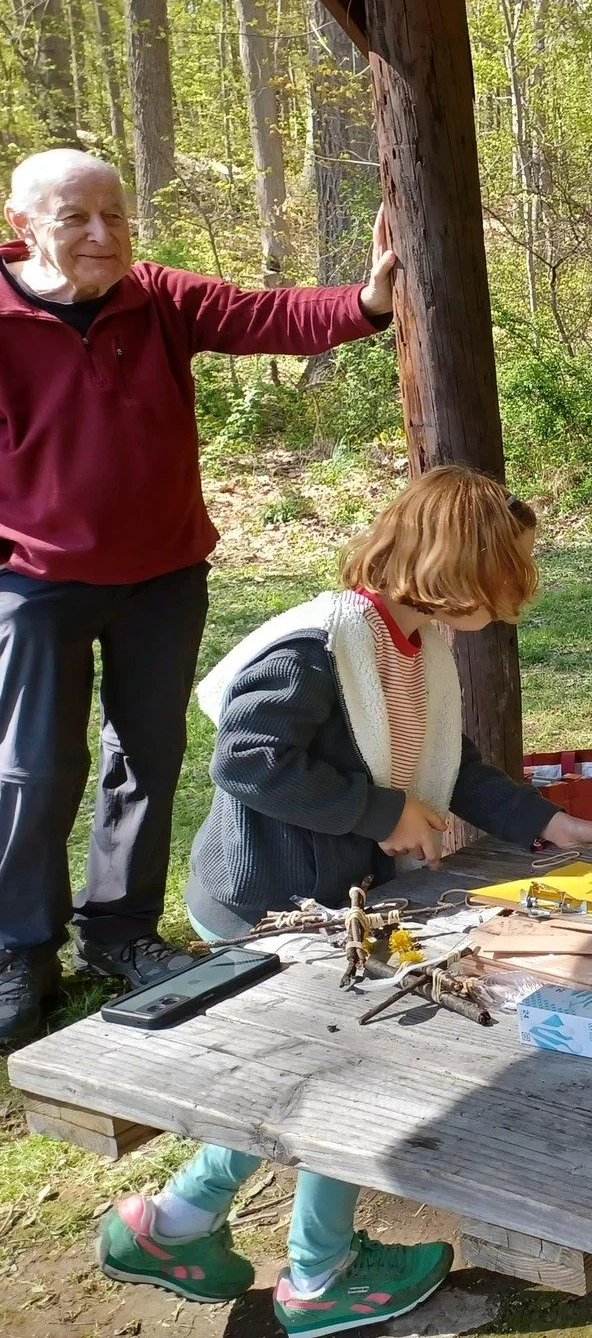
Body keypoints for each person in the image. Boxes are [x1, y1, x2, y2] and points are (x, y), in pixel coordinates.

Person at [97, 465, 592, 1334]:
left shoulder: (416, 646)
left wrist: (549, 824)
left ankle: (176, 1223)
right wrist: (382, 812)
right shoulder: (320, 647)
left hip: (329, 900)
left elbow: (451, 768)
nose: (522, 588)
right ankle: (320, 1276)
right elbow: (247, 761)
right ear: (460, 566)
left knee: (306, 1074)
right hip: (268, 904)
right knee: (346, 1080)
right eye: (513, 568)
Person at [0, 148, 403, 1040]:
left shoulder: (157, 298)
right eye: (76, 218)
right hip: (35, 585)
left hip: (164, 579)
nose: (103, 234)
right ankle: (20, 949)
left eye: (115, 215)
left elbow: (267, 315)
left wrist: (367, 301)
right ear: (24, 225)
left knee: (146, 758)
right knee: (33, 768)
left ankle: (121, 933)